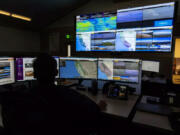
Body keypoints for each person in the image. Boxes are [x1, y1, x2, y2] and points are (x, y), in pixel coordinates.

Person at [2, 53, 105, 135]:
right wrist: (99, 106)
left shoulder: (21, 98)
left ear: (34, 74)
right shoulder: (68, 95)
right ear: (56, 73)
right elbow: (93, 110)